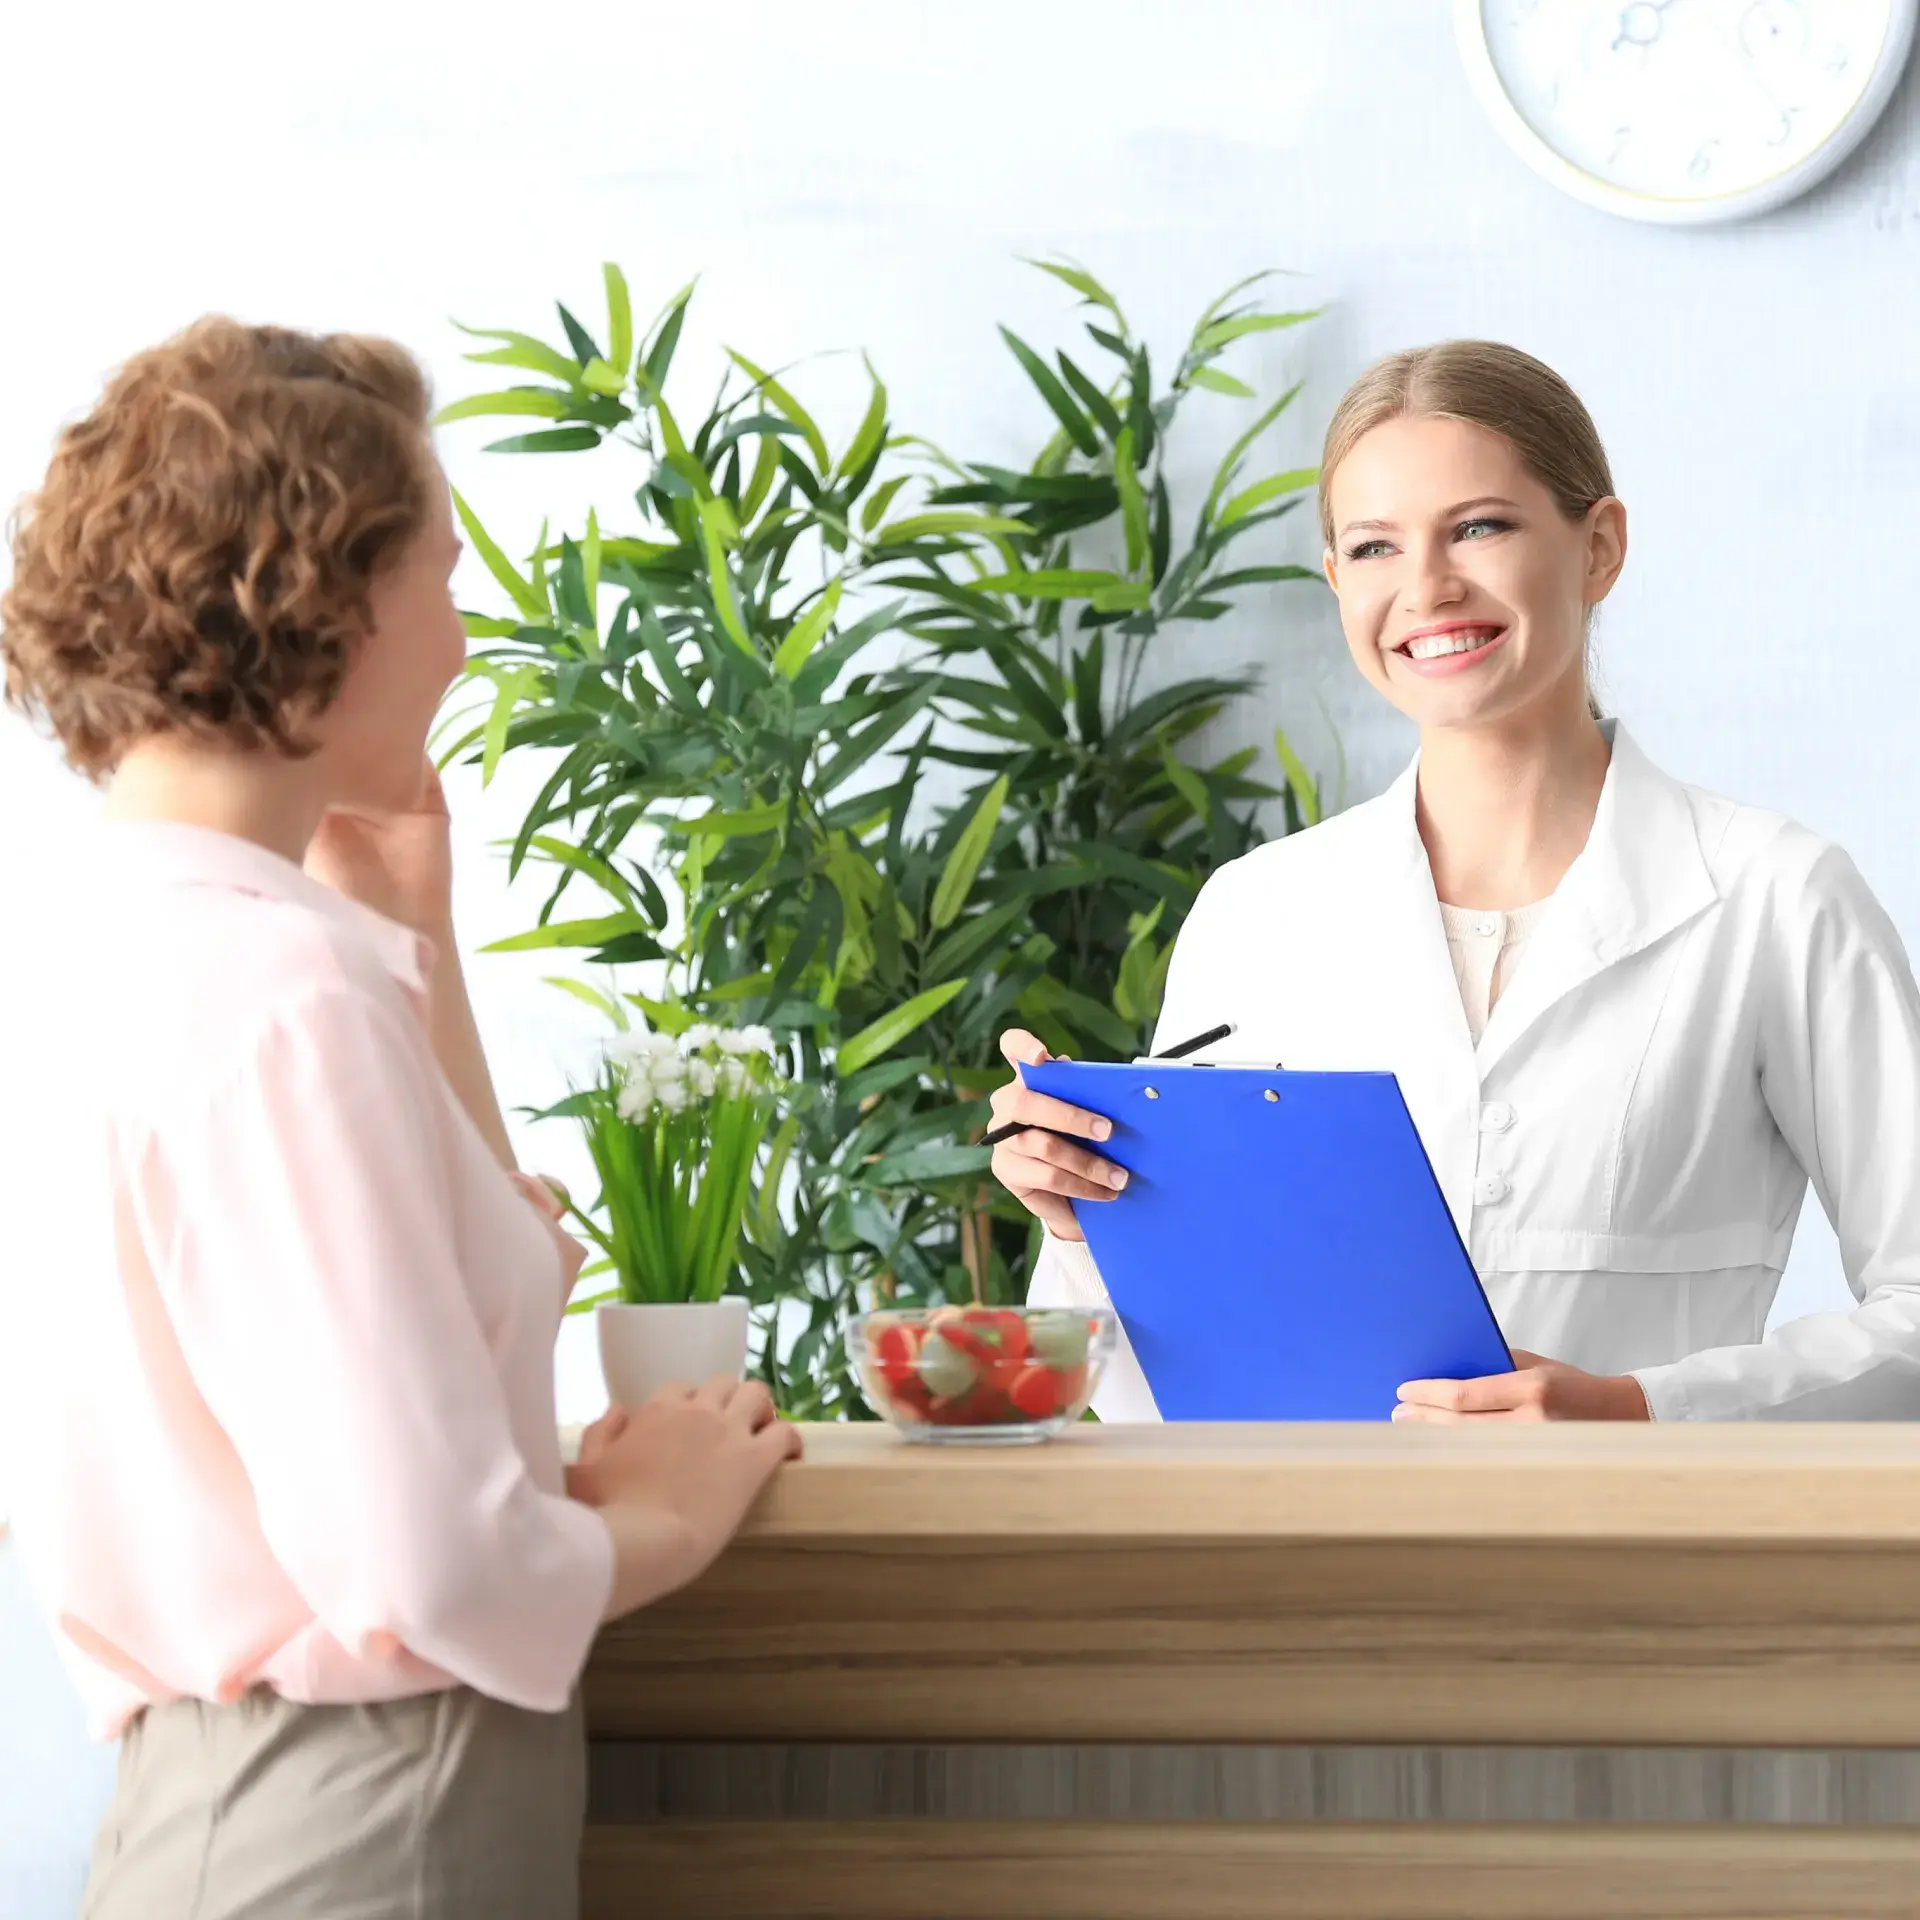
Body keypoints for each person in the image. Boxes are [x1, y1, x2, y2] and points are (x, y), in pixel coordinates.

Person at [0, 317, 800, 1919]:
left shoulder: (126, 941)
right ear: (327, 599)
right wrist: (668, 1518)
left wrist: (413, 931)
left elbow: (413, 1332)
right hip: (367, 1829)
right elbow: (433, 1569)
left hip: (229, 1807)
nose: (462, 634)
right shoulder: (283, 996)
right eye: (441, 571)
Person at [993, 339, 1920, 1424]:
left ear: (1599, 548)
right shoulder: (1257, 914)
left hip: (1635, 1565)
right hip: (1312, 1573)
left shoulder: (1775, 896)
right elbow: (1147, 1390)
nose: (1426, 588)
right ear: (1338, 582)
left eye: (1478, 527)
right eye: (1376, 547)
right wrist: (1079, 1216)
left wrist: (1636, 1408)